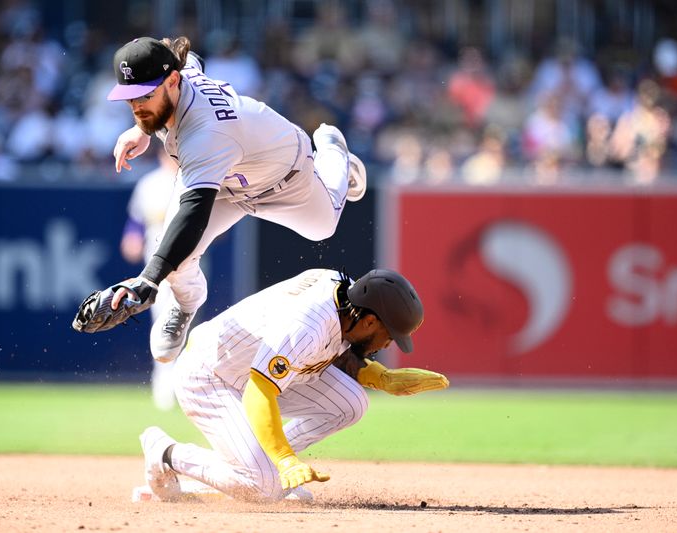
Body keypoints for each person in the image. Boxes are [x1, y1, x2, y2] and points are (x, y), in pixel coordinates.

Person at [105, 36, 367, 363]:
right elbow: (192, 59)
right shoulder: (178, 78)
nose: (137, 106)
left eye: (144, 96)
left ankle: (332, 151)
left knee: (323, 228)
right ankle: (186, 305)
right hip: (228, 183)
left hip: (283, 177)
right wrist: (141, 130)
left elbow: (193, 213)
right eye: (130, 99)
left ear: (173, 81)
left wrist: (148, 280)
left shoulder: (206, 132)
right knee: (171, 253)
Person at [138, 268, 449, 502]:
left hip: (252, 370)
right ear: (369, 321)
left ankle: (260, 468)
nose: (389, 342)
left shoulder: (348, 302)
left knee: (351, 404)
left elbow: (332, 351)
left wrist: (379, 377)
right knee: (262, 488)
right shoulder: (308, 326)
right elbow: (259, 392)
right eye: (390, 334)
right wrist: (284, 458)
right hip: (211, 376)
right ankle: (166, 453)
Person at [120, 147, 180, 410]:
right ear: (161, 156)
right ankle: (165, 384)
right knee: (163, 319)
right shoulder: (150, 183)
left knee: (185, 318)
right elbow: (135, 222)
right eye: (169, 153)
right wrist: (131, 237)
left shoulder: (194, 179)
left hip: (191, 257)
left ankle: (183, 381)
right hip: (156, 258)